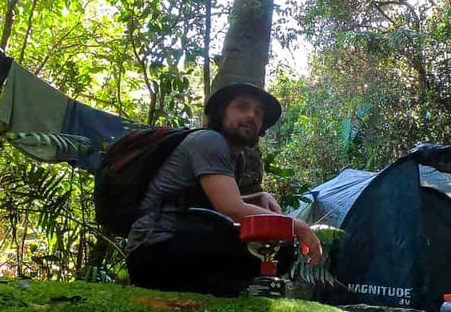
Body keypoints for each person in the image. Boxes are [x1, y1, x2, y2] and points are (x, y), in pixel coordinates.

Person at [125, 83, 322, 295]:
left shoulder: (237, 158)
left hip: (181, 242)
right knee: (271, 247)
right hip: (154, 249)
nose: (251, 116)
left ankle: (211, 288)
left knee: (277, 249)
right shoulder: (208, 141)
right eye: (242, 107)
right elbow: (231, 209)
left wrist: (257, 197)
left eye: (258, 112)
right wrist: (297, 226)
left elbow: (211, 204)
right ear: (221, 112)